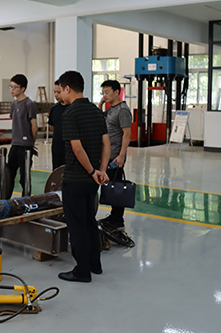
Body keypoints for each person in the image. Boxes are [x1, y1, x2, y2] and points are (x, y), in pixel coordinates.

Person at [58, 70, 110, 283]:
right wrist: (101, 171)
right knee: (89, 221)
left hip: (75, 178)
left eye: (61, 90)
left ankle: (82, 271)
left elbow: (77, 148)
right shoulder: (96, 111)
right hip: (92, 181)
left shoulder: (70, 113)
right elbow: (106, 143)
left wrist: (91, 171)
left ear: (67, 88)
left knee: (77, 225)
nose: (60, 95)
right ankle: (95, 264)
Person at [97, 80, 133, 231]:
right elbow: (99, 119)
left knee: (116, 187)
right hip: (107, 154)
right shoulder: (111, 109)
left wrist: (121, 155)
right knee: (110, 185)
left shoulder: (123, 110)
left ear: (117, 92)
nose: (104, 95)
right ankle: (113, 216)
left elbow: (127, 134)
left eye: (107, 92)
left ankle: (118, 220)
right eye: (103, 93)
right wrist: (100, 104)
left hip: (115, 155)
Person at [6, 74, 38, 198]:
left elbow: (34, 126)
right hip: (15, 144)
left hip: (25, 146)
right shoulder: (14, 104)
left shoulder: (29, 104)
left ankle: (26, 201)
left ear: (23, 88)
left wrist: (31, 143)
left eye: (15, 87)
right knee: (9, 174)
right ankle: (6, 200)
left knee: (24, 177)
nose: (12, 90)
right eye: (10, 87)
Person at [47, 79, 68, 170]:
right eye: (54, 92)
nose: (56, 95)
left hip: (70, 150)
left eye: (58, 92)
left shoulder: (72, 109)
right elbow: (52, 126)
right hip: (57, 148)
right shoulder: (54, 109)